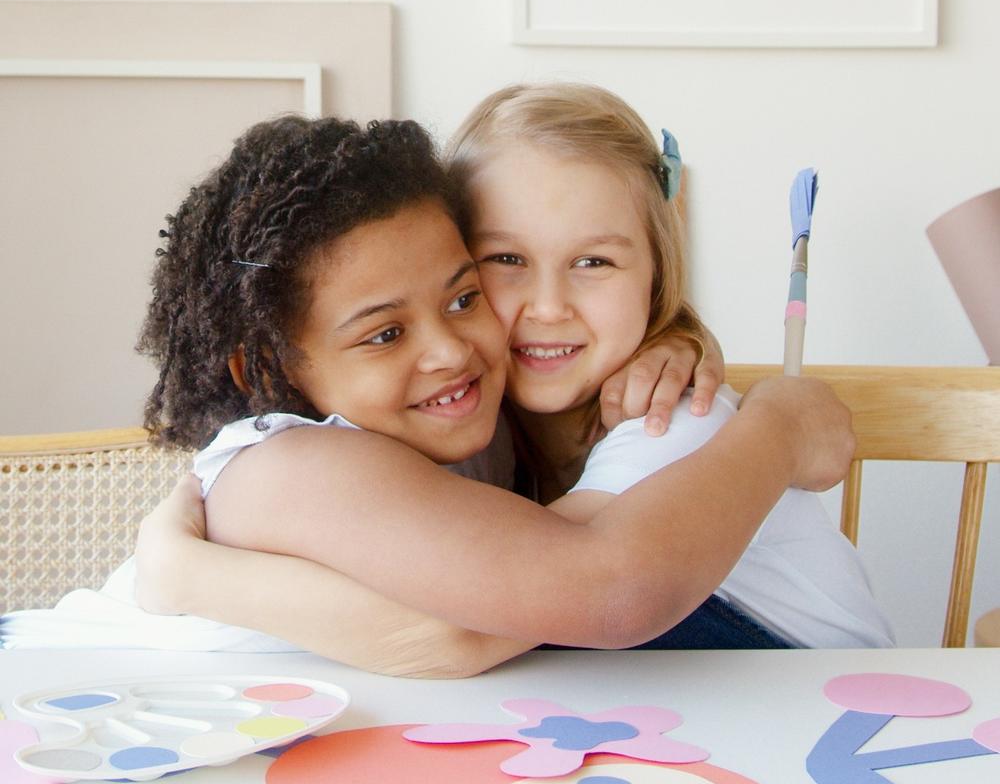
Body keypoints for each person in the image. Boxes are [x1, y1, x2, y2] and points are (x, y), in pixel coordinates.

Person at [118, 93, 877, 669]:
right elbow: (532, 605)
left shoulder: (655, 416)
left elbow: (538, 597)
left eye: (459, 298)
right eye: (505, 263)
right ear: (269, 365)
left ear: (658, 277)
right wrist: (780, 428)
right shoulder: (292, 466)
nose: (544, 308)